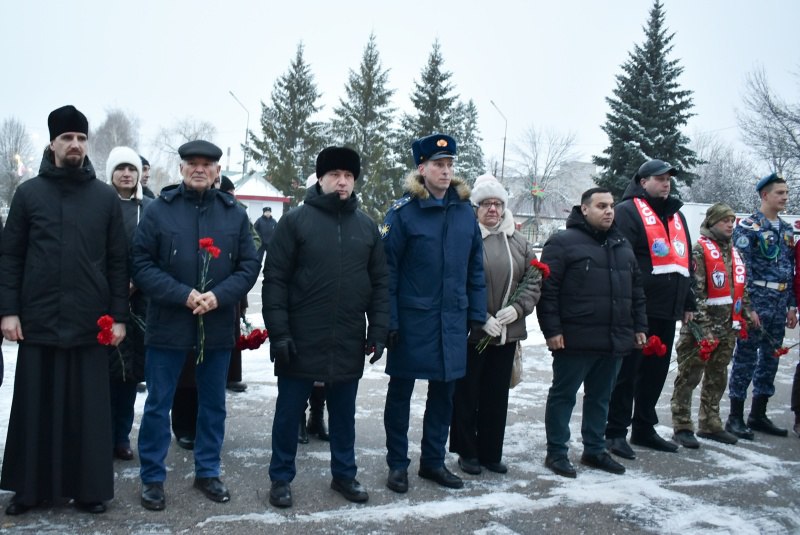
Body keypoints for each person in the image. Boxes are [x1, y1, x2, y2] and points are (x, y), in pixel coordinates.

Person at [0, 105, 129, 515]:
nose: (74, 145)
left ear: (86, 144)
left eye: (80, 138)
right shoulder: (29, 194)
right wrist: (8, 311)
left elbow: (117, 263)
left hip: (90, 323)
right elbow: (10, 257)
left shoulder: (105, 198)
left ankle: (88, 489)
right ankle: (28, 489)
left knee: (87, 412)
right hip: (37, 321)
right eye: (67, 138)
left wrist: (120, 317)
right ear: (53, 143)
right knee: (34, 407)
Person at [132, 139, 260, 511]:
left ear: (218, 171)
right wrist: (182, 294)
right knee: (158, 404)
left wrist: (220, 296)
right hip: (169, 323)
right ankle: (153, 478)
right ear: (182, 169)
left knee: (213, 404)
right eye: (192, 163)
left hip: (216, 325)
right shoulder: (159, 211)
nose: (200, 169)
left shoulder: (233, 213)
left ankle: (207, 470)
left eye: (207, 164)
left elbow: (249, 265)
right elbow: (141, 263)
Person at [263, 146, 389, 508]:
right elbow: (275, 281)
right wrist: (280, 332)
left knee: (345, 416)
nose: (342, 181)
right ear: (320, 178)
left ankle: (344, 475)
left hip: (347, 339)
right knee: (289, 413)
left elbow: (380, 283)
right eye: (335, 174)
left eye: (349, 176)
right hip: (300, 340)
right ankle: (281, 477)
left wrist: (378, 330)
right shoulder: (295, 222)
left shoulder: (366, 227)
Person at [381, 133, 486, 493]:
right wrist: (389, 321)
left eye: (449, 164)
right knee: (401, 395)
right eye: (438, 165)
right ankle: (397, 464)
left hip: (452, 321)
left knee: (444, 396)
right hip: (412, 322)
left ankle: (433, 462)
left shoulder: (463, 213)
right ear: (421, 168)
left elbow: (475, 267)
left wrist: (476, 314)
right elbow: (387, 272)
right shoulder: (403, 214)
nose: (445, 171)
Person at [538, 188, 647, 478]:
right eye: (601, 206)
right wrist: (552, 330)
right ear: (584, 209)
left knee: (601, 397)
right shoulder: (562, 243)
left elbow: (636, 291)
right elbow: (547, 291)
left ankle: (595, 449)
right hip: (575, 338)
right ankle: (557, 452)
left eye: (611, 206)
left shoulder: (622, 245)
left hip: (614, 339)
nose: (609, 211)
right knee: (564, 395)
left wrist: (639, 327)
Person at [449, 174, 541, 476]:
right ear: (475, 208)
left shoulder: (519, 242)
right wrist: (479, 317)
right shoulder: (466, 238)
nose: (492, 209)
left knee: (496, 395)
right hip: (473, 333)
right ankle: (467, 451)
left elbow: (533, 279)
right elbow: (456, 282)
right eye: (486, 204)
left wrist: (517, 309)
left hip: (505, 334)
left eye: (498, 204)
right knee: (467, 395)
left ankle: (491, 451)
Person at [605, 159, 696, 459]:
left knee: (656, 373)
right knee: (628, 373)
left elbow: (685, 262)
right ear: (643, 182)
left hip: (667, 310)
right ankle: (615, 432)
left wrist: (688, 301)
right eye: (659, 178)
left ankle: (644, 427)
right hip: (637, 309)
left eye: (669, 178)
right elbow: (621, 261)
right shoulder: (628, 212)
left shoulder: (677, 216)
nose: (666, 183)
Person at [671, 204, 758, 448]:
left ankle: (710, 423)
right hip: (701, 332)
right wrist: (704, 330)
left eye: (732, 220)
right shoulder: (700, 251)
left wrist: (748, 312)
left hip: (728, 328)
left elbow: (740, 287)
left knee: (717, 378)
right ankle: (682, 425)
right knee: (689, 378)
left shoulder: (734, 251)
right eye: (724, 221)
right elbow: (695, 295)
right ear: (712, 223)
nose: (730, 225)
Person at [726, 172, 796, 439]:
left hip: (779, 304)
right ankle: (735, 416)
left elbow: (790, 269)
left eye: (787, 193)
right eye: (780, 193)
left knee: (771, 358)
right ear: (765, 195)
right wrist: (748, 307)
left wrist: (791, 306)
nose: (785, 197)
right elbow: (741, 270)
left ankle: (758, 413)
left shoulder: (787, 230)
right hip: (757, 303)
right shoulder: (748, 228)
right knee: (745, 358)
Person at [106, 146, 152, 461]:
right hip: (105, 300)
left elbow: (154, 250)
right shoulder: (99, 204)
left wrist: (136, 281)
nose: (126, 174)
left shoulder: (149, 208)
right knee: (104, 372)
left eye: (131, 169)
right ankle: (99, 433)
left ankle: (121, 436)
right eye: (120, 168)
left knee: (129, 374)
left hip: (140, 302)